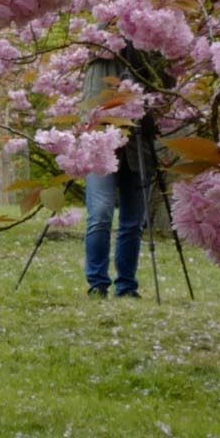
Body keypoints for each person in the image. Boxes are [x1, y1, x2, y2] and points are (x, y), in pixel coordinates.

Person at [79, 49, 166, 298]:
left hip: (139, 145)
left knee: (133, 222)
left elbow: (166, 83)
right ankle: (97, 283)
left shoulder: (151, 49)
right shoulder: (99, 48)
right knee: (100, 214)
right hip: (101, 142)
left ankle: (126, 285)